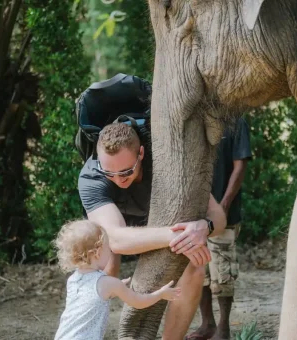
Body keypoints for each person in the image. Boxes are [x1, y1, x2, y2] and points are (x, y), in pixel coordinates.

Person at [78, 122, 227, 339]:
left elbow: (219, 217)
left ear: (141, 153)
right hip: (116, 230)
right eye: (109, 173)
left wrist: (205, 226)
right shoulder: (91, 177)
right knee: (101, 273)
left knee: (195, 264)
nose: (118, 180)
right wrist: (176, 236)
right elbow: (115, 240)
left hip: (159, 221)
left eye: (126, 171)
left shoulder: (166, 164)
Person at [54, 220, 182, 340]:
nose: (110, 252)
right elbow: (138, 302)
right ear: (98, 252)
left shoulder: (73, 279)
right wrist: (160, 294)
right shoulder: (108, 283)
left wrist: (115, 288)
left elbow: (90, 297)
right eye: (108, 248)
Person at [186, 117, 252, 340]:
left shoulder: (236, 119)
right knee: (199, 270)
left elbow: (240, 165)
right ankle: (208, 324)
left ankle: (223, 328)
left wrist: (223, 206)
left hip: (226, 214)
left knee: (222, 272)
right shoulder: (196, 119)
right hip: (194, 213)